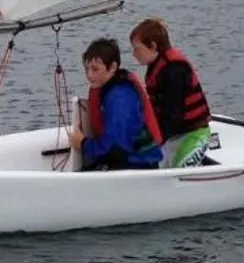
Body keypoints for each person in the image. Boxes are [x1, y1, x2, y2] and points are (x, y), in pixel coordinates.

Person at [68, 37, 163, 173]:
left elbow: (113, 147)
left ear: (112, 67)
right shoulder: (109, 90)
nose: (89, 75)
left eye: (95, 69)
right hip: (126, 160)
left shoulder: (120, 97)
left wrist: (83, 143)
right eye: (86, 69)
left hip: (139, 168)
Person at [129, 18, 214, 166]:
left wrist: (152, 142)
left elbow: (173, 115)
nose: (134, 54)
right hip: (175, 134)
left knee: (179, 172)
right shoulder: (155, 66)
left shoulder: (173, 70)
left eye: (137, 49)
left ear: (153, 46)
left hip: (193, 133)